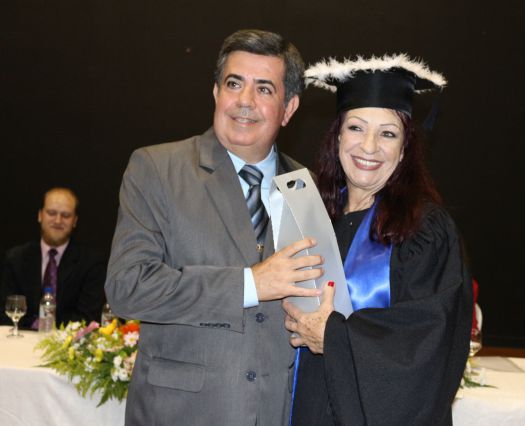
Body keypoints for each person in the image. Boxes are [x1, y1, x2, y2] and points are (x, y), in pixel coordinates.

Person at [105, 29, 324, 426]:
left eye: (264, 89)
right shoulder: (157, 168)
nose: (245, 101)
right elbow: (127, 287)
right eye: (234, 84)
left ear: (289, 108)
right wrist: (250, 284)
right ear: (216, 92)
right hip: (180, 415)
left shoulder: (307, 187)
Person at [283, 54, 474, 425]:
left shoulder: (424, 230)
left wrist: (333, 337)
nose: (368, 147)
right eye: (356, 128)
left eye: (388, 133)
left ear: (404, 149)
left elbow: (426, 344)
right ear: (337, 136)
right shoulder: (310, 216)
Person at [1, 187, 106, 327]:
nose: (58, 220)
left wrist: (47, 326)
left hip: (69, 340)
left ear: (75, 221)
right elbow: (6, 311)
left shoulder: (92, 263)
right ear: (40, 215)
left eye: (66, 215)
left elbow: (88, 317)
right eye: (51, 213)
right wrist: (37, 325)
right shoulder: (15, 259)